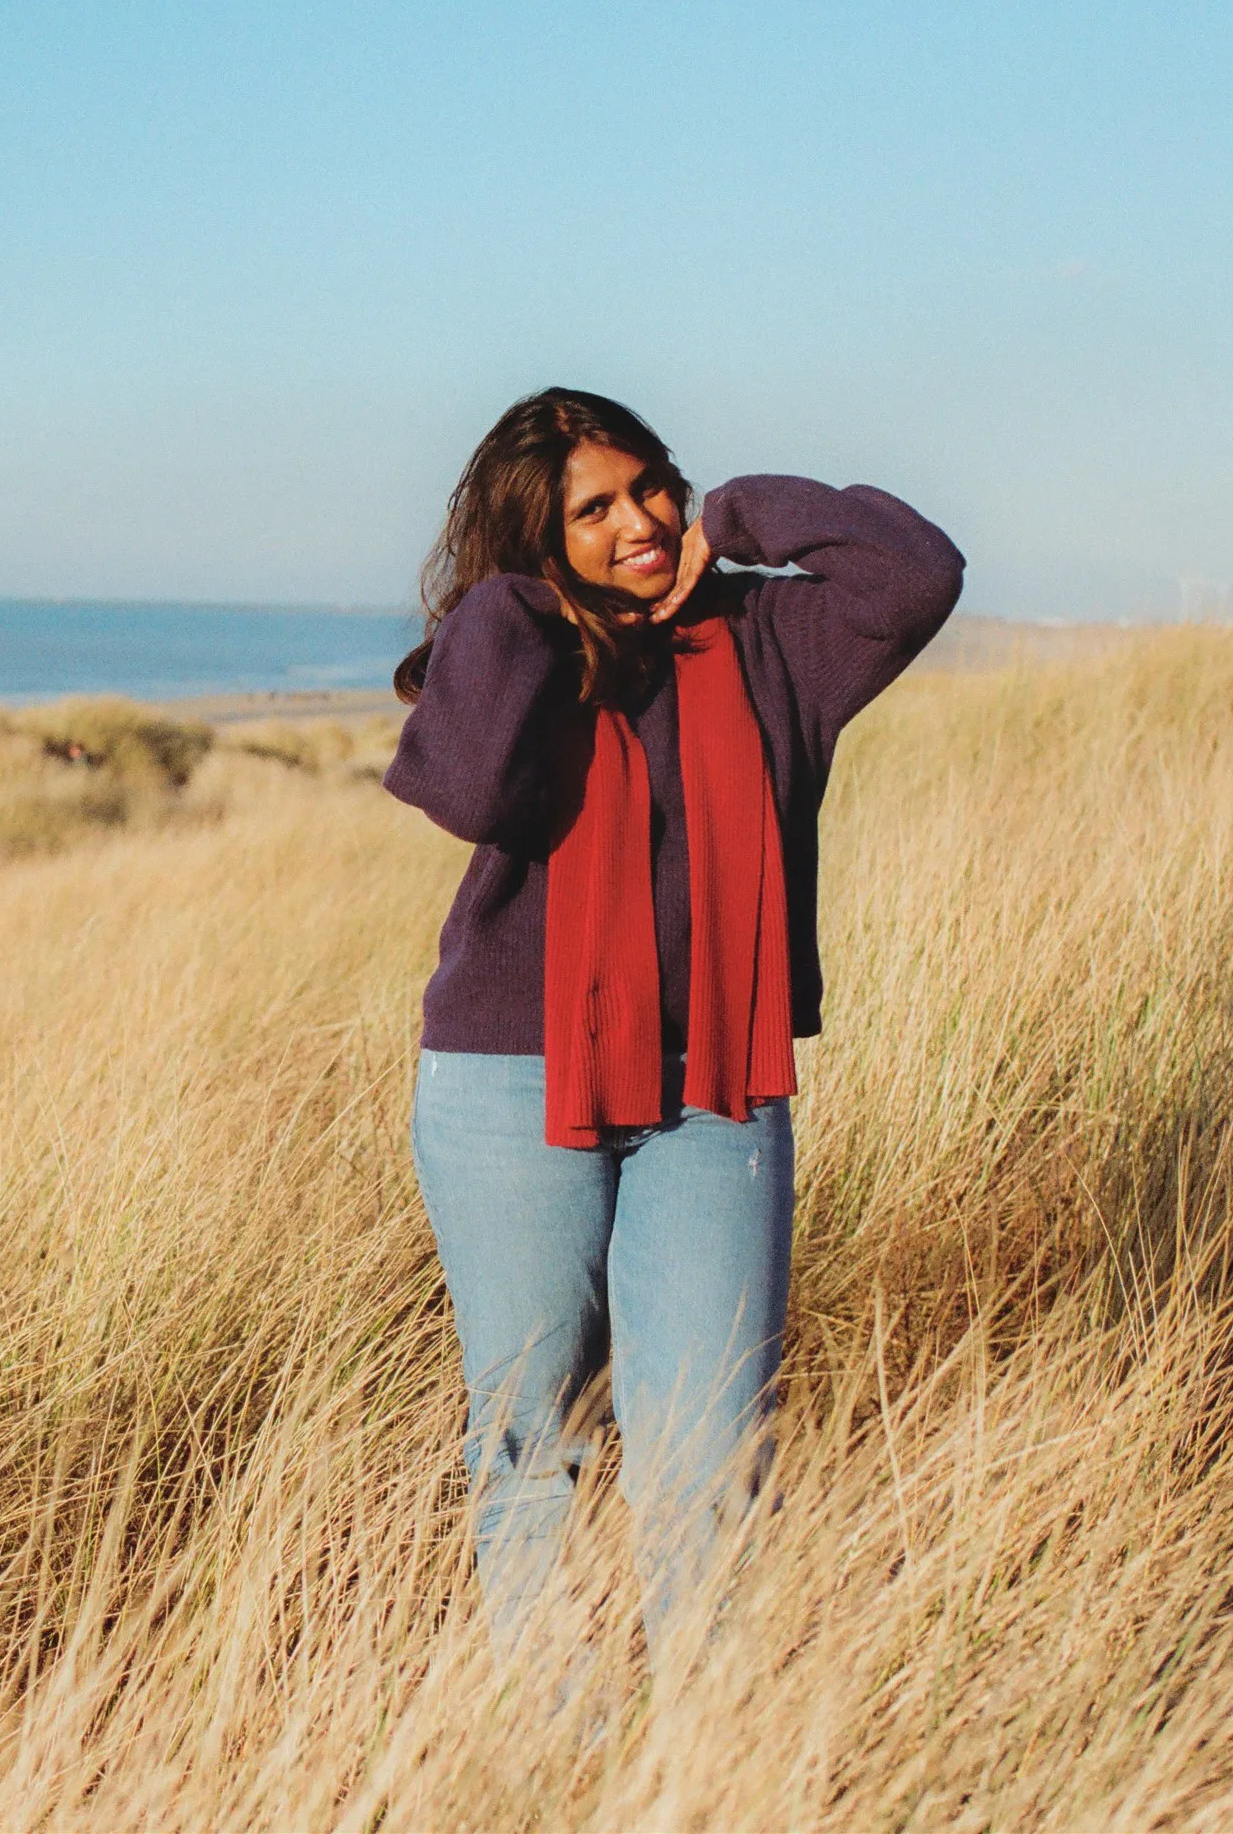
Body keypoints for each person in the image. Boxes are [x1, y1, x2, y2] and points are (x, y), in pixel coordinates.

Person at [385, 388, 964, 1663]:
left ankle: (703, 1769)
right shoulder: (526, 647)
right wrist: (514, 599)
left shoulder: (769, 639)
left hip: (716, 1086)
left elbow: (916, 572)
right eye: (591, 510)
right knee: (532, 1437)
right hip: (508, 1082)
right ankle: (553, 1752)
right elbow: (473, 782)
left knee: (712, 1452)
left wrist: (735, 514)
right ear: (539, 537)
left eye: (648, 484)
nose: (636, 519)